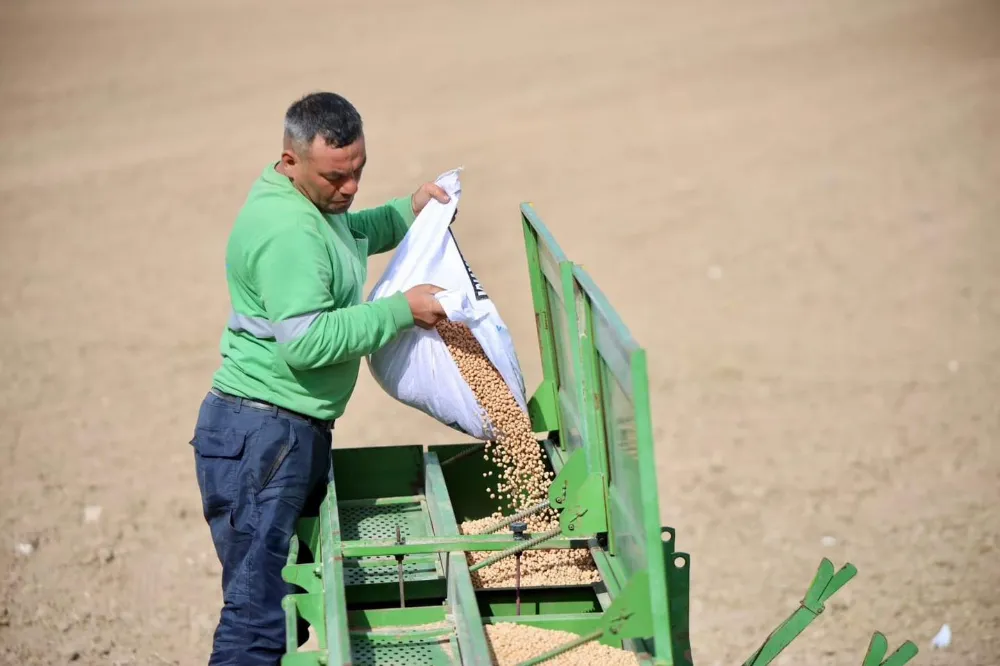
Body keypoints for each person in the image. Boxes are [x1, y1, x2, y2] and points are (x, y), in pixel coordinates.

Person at [188, 91, 450, 665]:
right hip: (262, 439)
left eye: (359, 171)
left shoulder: (314, 205)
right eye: (337, 176)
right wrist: (400, 310)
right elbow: (306, 342)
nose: (350, 188)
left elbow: (349, 232)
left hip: (281, 433)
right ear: (290, 161)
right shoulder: (289, 232)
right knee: (258, 616)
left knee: (282, 611)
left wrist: (410, 210)